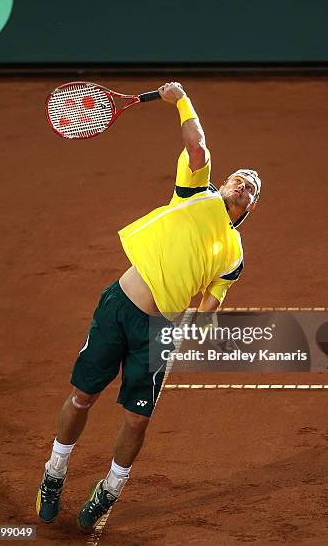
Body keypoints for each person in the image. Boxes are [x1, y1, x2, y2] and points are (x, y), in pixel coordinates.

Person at [36, 82, 261, 533]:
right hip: (119, 307)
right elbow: (196, 143)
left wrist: (186, 335)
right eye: (239, 178)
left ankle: (109, 491)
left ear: (251, 207)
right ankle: (54, 472)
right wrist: (178, 98)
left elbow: (208, 304)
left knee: (137, 421)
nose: (243, 184)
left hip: (159, 333)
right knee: (83, 397)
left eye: (252, 188)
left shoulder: (234, 257)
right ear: (223, 183)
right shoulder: (196, 193)